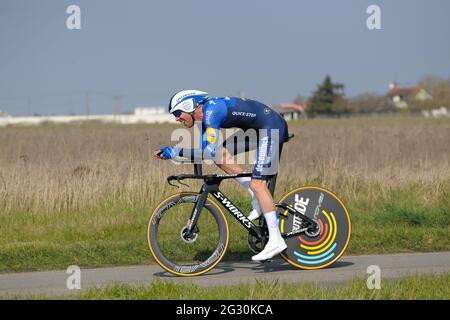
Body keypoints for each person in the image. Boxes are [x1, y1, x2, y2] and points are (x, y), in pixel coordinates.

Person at [154, 90, 289, 261]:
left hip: (271, 128)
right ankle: (256, 197)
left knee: (258, 184)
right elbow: (210, 153)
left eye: (177, 113)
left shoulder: (212, 111)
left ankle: (276, 240)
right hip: (258, 129)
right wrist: (176, 154)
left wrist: (174, 151)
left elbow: (206, 151)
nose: (176, 119)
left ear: (189, 106)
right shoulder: (206, 116)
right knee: (220, 155)